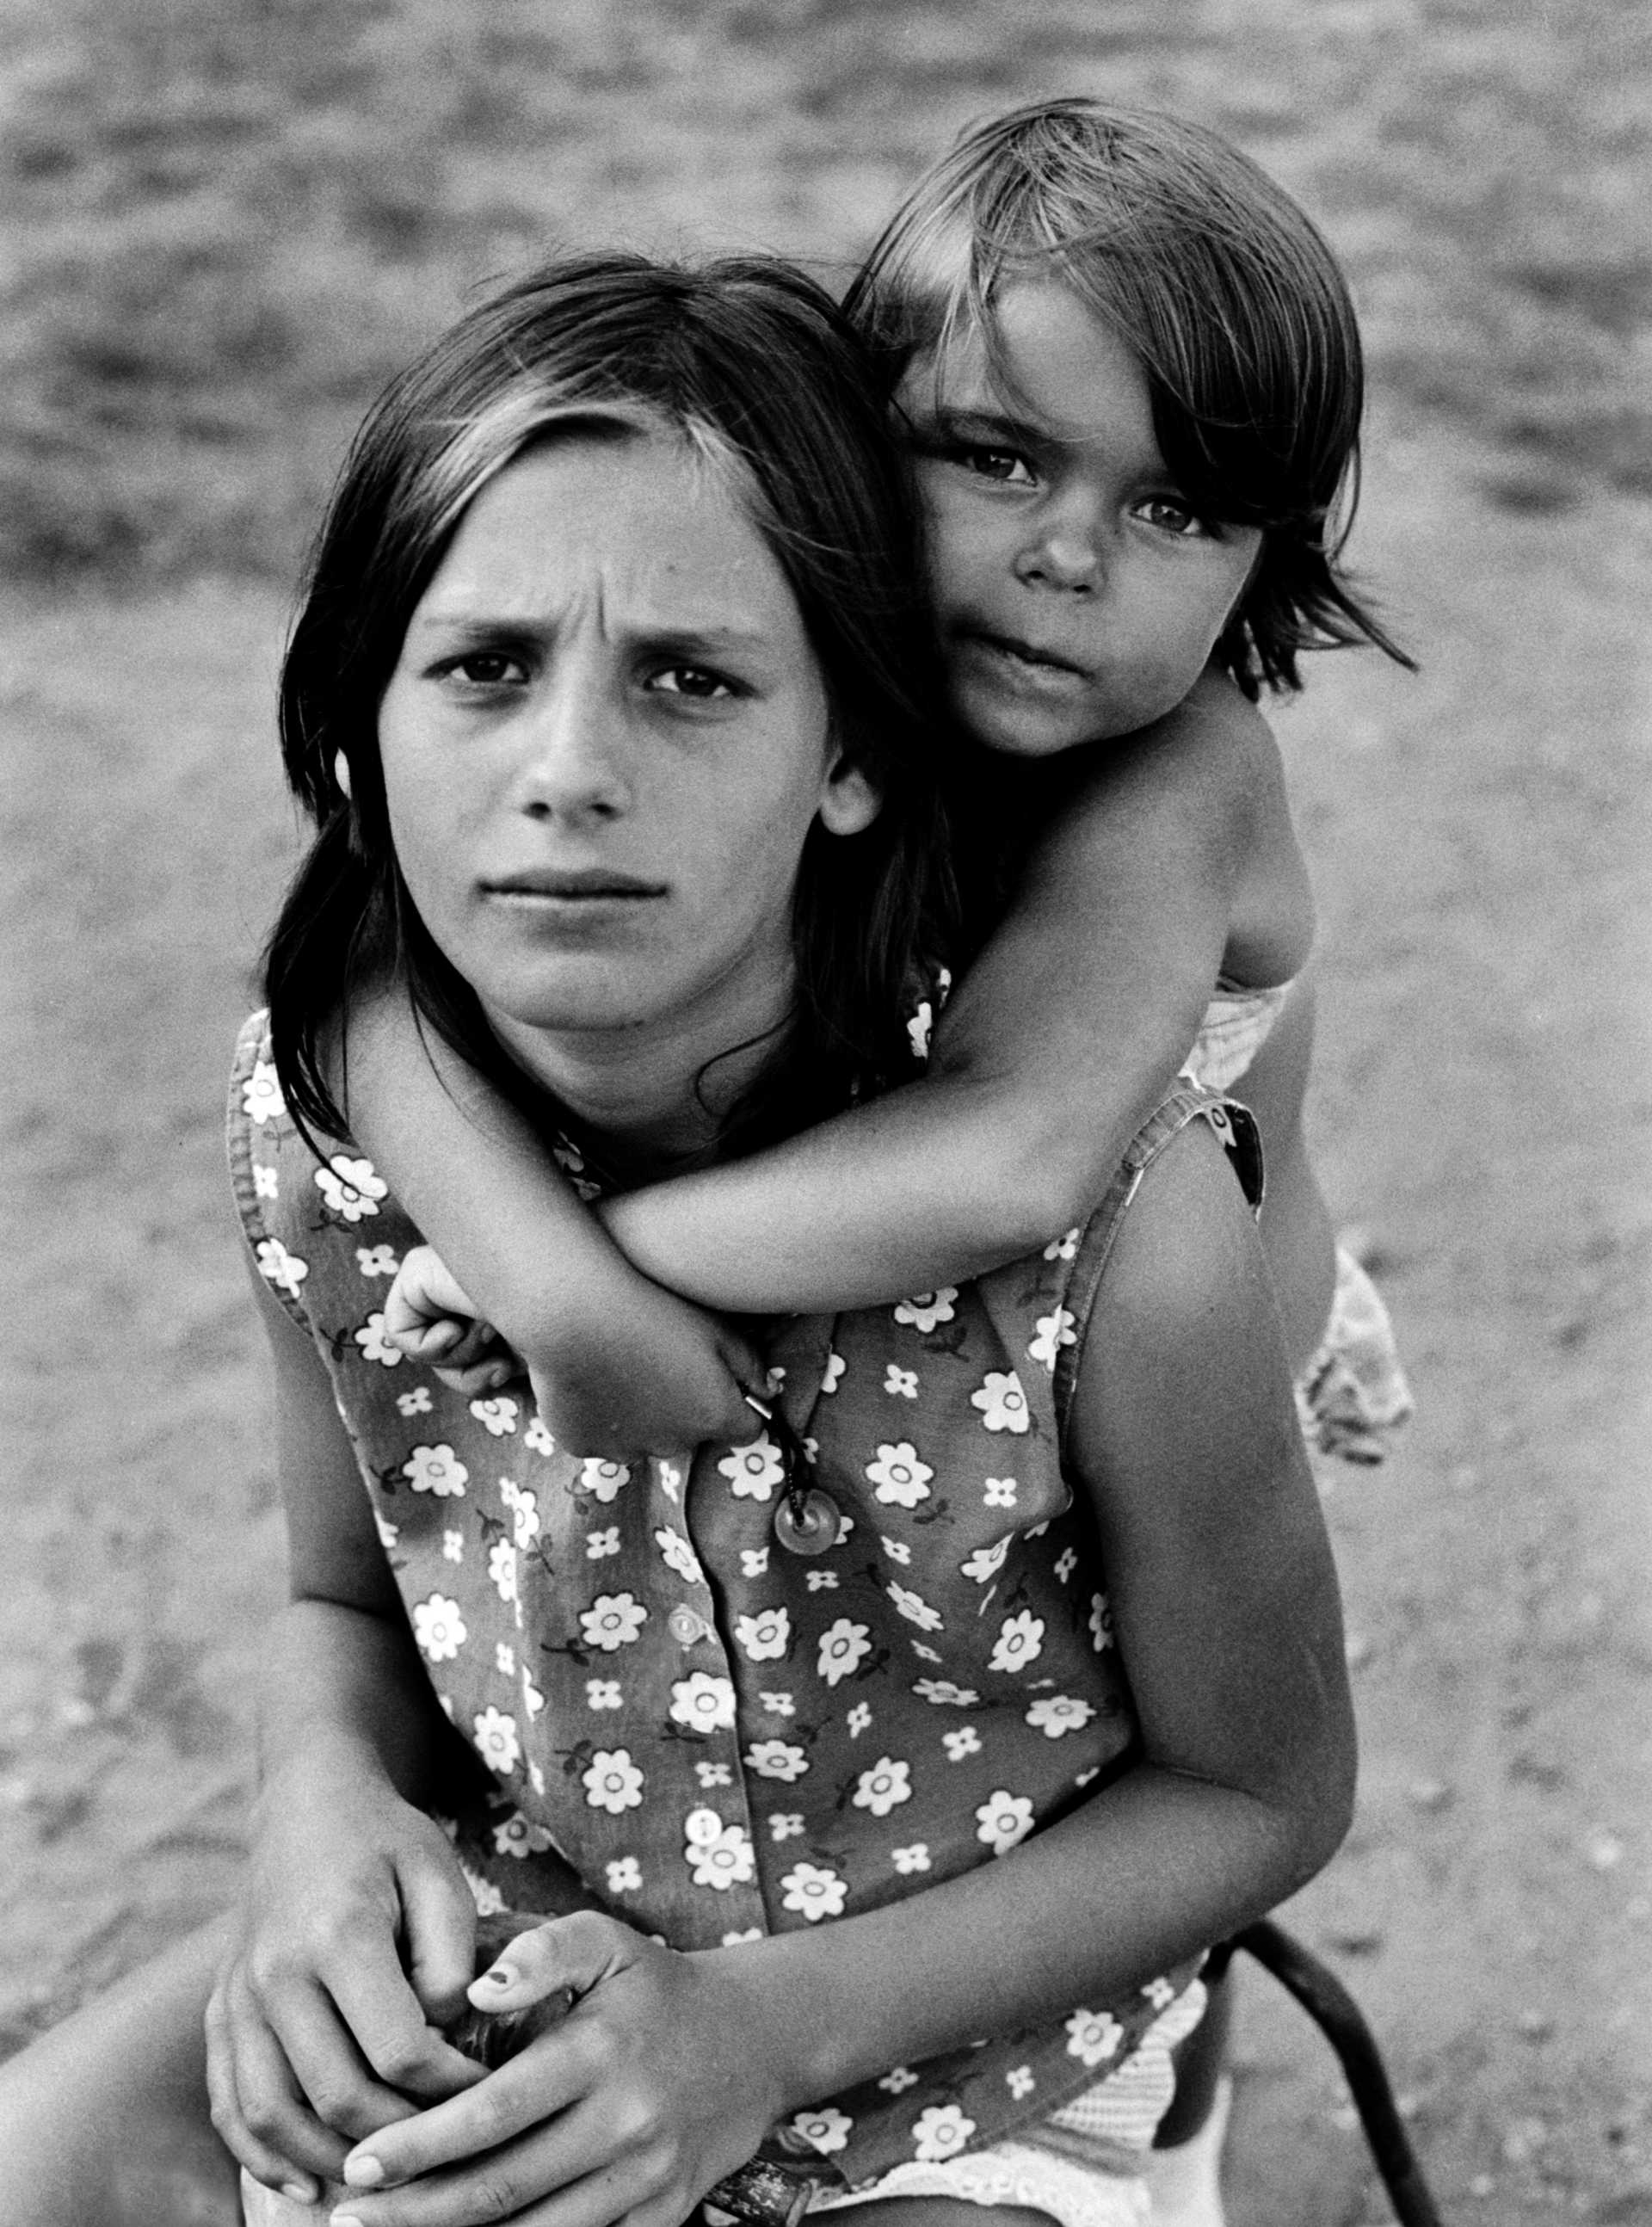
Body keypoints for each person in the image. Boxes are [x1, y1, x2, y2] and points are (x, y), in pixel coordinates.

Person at [0, 251, 1354, 2227]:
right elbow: (344, 1603)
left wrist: (752, 2037)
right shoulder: (327, 1132)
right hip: (537, 1966)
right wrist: (318, 1814)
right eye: (480, 669)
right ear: (362, 745)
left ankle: (1171, 2103)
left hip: (960, 2054)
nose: (569, 770)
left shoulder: (1119, 1224)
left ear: (854, 752)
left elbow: (1264, 1786)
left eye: (692, 678)